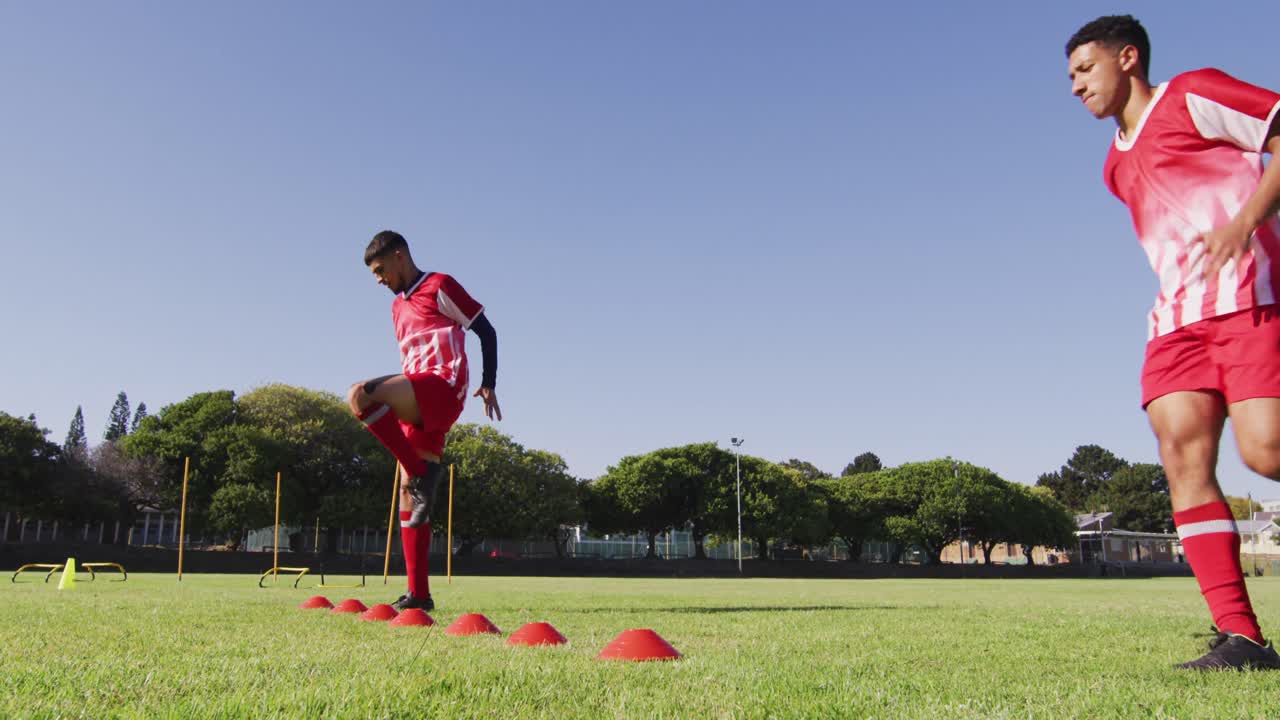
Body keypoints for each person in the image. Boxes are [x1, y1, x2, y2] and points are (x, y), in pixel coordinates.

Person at [1066, 14, 1280, 670]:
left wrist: (1245, 222)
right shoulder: (1113, 166)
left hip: (1251, 298)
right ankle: (1241, 637)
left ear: (1127, 58)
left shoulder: (1192, 94)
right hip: (1176, 324)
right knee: (1183, 459)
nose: (1075, 87)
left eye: (1084, 70)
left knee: (1266, 452)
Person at [346, 230, 501, 612]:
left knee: (359, 395)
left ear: (400, 256)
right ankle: (419, 595)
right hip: (414, 398)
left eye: (381, 270)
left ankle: (421, 471)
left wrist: (488, 383)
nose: (379, 280)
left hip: (442, 387)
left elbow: (486, 330)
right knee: (410, 497)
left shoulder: (439, 285)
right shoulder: (397, 307)